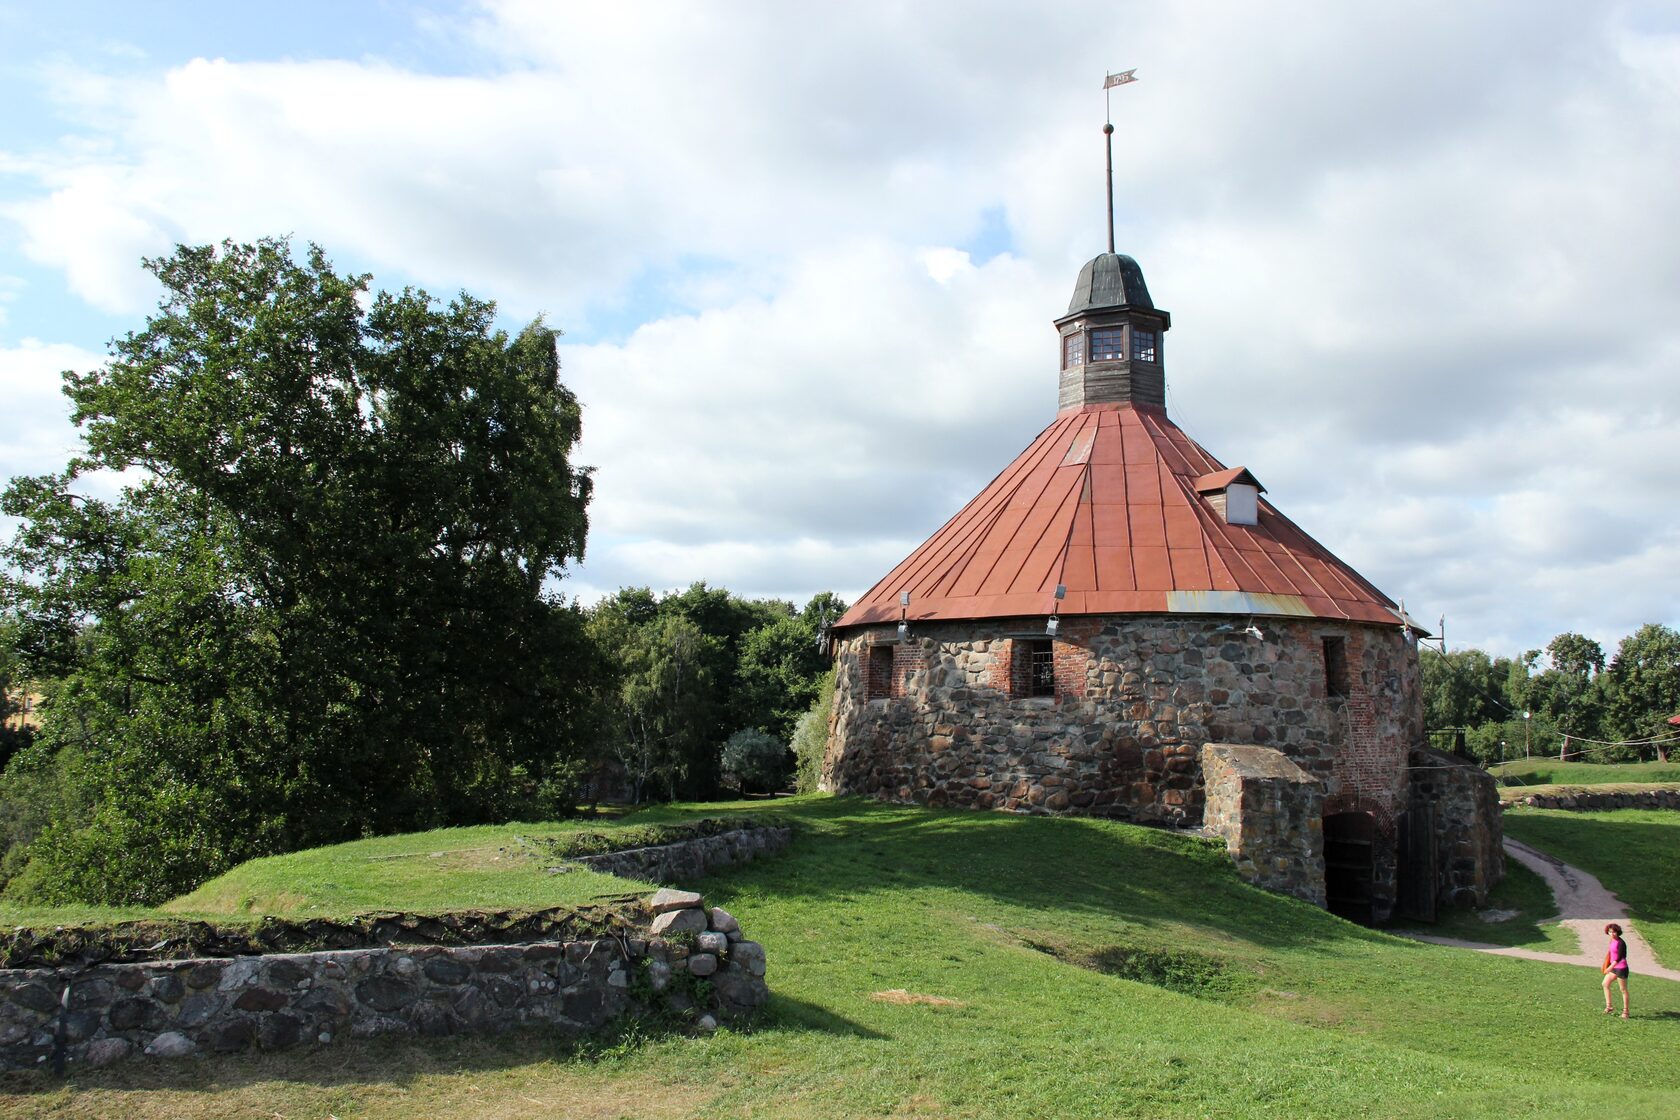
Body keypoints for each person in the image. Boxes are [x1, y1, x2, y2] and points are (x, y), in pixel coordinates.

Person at [1602, 923, 1630, 1019]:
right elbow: (1610, 953)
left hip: (1621, 968)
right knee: (1605, 984)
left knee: (1623, 989)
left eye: (1614, 932)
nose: (1612, 934)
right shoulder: (1612, 940)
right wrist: (1607, 963)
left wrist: (1609, 968)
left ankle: (1626, 1011)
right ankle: (1609, 1006)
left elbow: (1619, 958)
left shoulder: (1621, 943)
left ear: (1618, 932)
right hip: (1614, 968)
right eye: (1610, 932)